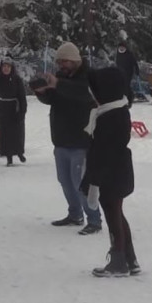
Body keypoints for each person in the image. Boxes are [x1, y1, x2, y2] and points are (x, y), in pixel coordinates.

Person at [34, 42, 103, 236]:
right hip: (61, 138)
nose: (61, 65)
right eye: (59, 61)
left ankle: (94, 218)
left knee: (81, 182)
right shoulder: (62, 77)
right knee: (64, 180)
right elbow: (54, 99)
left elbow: (83, 93)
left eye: (64, 61)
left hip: (81, 140)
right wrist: (42, 92)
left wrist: (58, 84)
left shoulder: (88, 77)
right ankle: (75, 214)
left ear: (74, 60)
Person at [81, 67, 139, 277]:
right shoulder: (115, 110)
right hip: (117, 170)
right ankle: (129, 258)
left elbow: (101, 152)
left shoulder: (109, 116)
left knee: (113, 214)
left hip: (110, 173)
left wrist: (93, 182)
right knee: (117, 214)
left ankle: (118, 260)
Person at [0, 59, 27, 166]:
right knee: (5, 134)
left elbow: (22, 97)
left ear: (11, 68)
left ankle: (19, 153)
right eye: (4, 66)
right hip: (1, 108)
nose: (6, 68)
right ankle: (9, 157)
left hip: (14, 108)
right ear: (1, 67)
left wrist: (22, 111)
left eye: (8, 66)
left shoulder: (17, 79)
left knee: (17, 132)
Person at [114, 41, 137, 106]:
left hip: (128, 72)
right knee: (123, 86)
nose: (121, 48)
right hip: (120, 72)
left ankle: (129, 99)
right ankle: (126, 98)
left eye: (122, 47)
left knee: (126, 85)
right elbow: (117, 63)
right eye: (120, 47)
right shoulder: (118, 54)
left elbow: (134, 62)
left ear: (125, 47)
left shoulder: (129, 54)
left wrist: (136, 70)